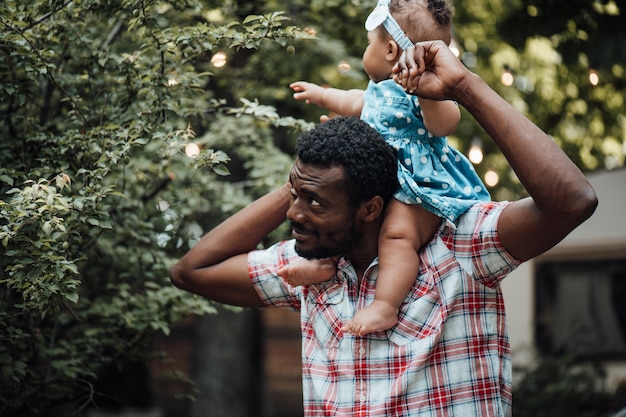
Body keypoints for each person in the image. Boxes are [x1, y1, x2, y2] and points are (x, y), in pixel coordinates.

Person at [170, 39, 597, 416]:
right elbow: (191, 272)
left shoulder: (457, 243)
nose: (294, 215)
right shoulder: (311, 267)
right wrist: (302, 185)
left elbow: (572, 202)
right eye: (295, 196)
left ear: (371, 208)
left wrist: (464, 87)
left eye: (315, 202)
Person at [280, 0, 490, 337]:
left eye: (369, 43)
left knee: (396, 236)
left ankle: (385, 305)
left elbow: (445, 124)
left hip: (417, 187)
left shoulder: (424, 93)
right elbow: (354, 102)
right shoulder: (380, 91)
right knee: (344, 219)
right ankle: (324, 263)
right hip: (380, 182)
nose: (367, 49)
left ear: (390, 49)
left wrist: (427, 94)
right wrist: (321, 94)